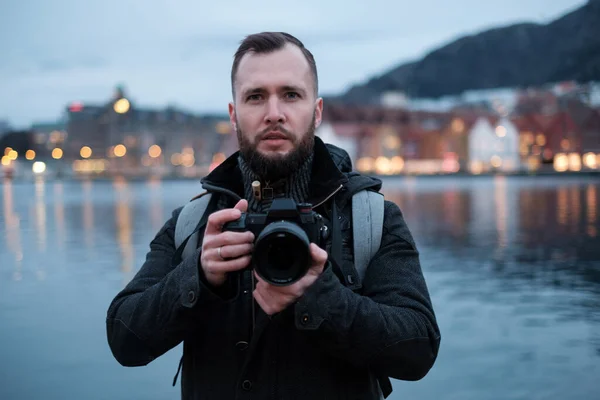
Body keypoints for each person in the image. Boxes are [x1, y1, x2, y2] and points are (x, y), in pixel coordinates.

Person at [106, 31, 440, 399]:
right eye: (255, 97)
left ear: (317, 111)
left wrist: (320, 298)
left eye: (291, 95)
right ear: (234, 115)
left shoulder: (369, 219)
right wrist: (199, 277)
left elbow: (418, 348)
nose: (274, 113)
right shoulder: (193, 223)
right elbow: (125, 339)